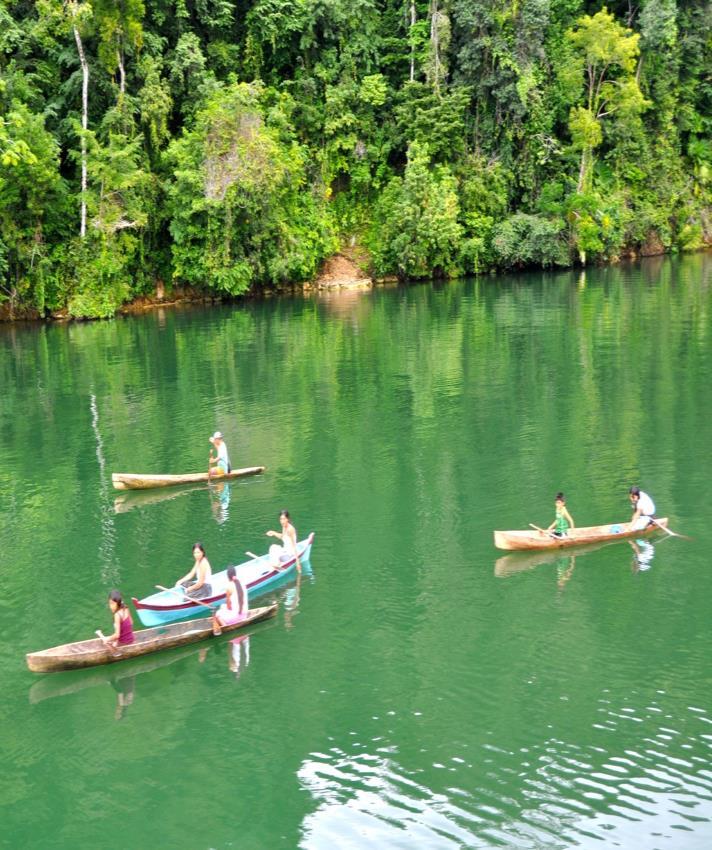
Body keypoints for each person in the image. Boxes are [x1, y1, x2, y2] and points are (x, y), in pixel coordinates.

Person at [212, 566, 249, 631]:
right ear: (235, 574)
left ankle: (227, 627)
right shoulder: (242, 583)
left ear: (227, 576)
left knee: (218, 614)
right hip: (245, 614)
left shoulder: (229, 587)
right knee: (222, 606)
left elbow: (229, 607)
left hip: (236, 616)